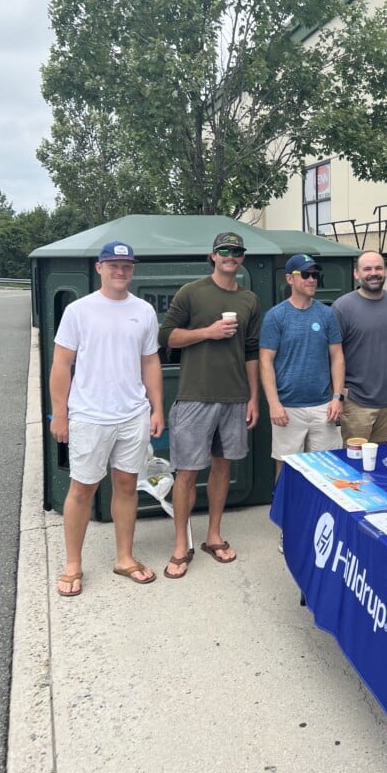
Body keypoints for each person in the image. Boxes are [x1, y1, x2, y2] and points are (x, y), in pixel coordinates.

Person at [49, 241, 164, 596]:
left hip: (132, 414)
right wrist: (61, 414)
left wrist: (157, 407)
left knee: (128, 486)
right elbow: (61, 364)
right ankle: (73, 564)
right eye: (113, 264)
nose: (120, 271)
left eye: (126, 265)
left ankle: (124, 557)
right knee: (82, 488)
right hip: (89, 416)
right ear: (99, 268)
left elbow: (150, 362)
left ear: (132, 270)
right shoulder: (79, 311)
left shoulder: (143, 311)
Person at [159, 231, 261, 579]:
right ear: (213, 256)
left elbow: (251, 352)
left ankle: (213, 536)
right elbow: (167, 337)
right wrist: (208, 332)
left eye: (237, 251)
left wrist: (253, 398)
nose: (231, 256)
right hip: (194, 396)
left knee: (222, 468)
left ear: (242, 258)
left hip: (234, 398)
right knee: (186, 472)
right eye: (224, 250)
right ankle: (180, 544)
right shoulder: (192, 292)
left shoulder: (249, 299)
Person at [259, 254, 345, 482]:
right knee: (287, 471)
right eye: (305, 275)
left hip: (323, 407)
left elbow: (337, 357)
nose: (311, 280)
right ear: (290, 279)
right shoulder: (276, 316)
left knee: (327, 470)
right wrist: (274, 404)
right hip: (288, 409)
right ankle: (285, 517)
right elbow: (265, 362)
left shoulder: (326, 314)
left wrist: (337, 397)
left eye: (315, 275)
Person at [332, 251, 387, 445]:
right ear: (356, 274)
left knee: (380, 459)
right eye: (367, 269)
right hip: (356, 402)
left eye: (378, 268)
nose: (374, 273)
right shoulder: (342, 307)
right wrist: (338, 391)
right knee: (355, 461)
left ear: (385, 271)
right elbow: (331, 353)